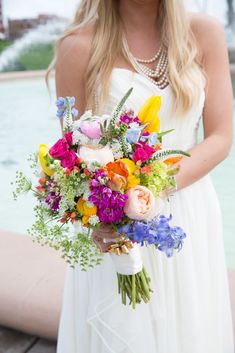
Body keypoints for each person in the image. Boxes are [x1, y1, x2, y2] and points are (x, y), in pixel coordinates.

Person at [46, 1, 234, 352]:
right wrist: (108, 212)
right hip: (119, 226)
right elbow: (74, 158)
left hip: (189, 213)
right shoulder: (77, 47)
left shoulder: (203, 32)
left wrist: (149, 189)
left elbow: (221, 137)